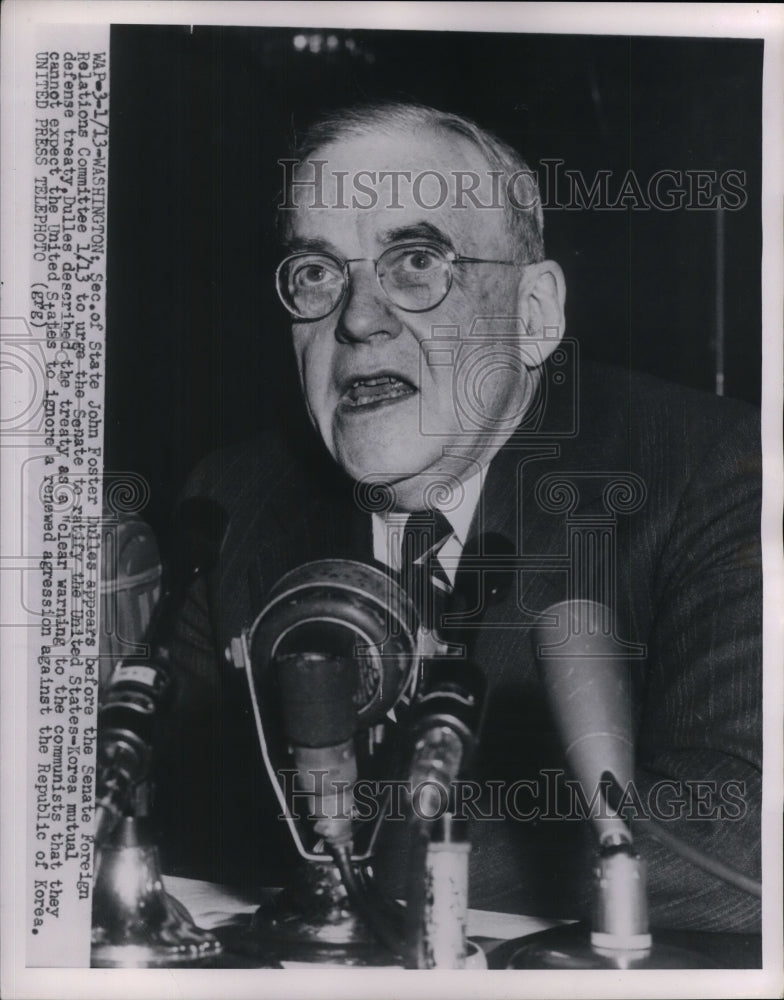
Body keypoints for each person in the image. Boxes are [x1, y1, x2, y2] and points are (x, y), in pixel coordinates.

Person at [155, 103, 761, 935]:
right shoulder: (233, 501)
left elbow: (737, 840)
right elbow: (152, 815)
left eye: (415, 261)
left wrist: (354, 856)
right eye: (317, 273)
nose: (358, 319)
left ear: (535, 313)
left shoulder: (712, 469)